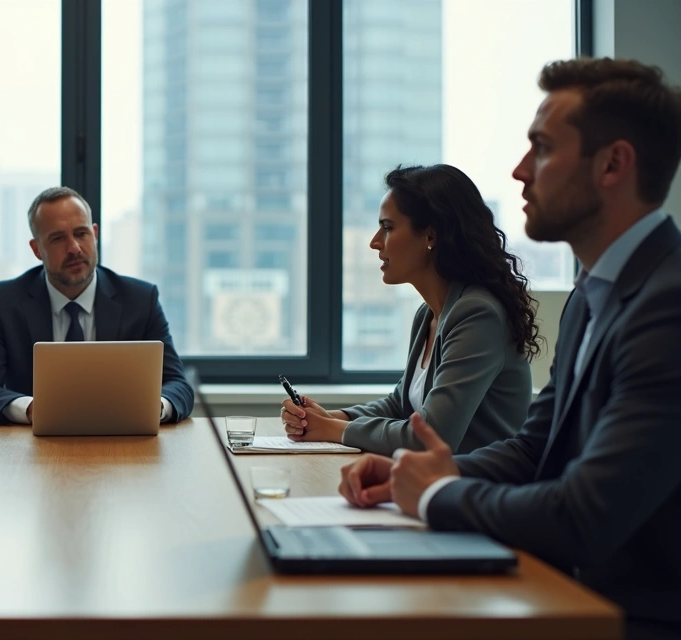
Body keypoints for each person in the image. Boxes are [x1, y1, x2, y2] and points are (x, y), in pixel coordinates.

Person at [339, 58, 681, 640]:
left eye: (542, 149)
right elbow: (533, 449)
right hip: (566, 591)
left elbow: (583, 516)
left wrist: (439, 494)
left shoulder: (668, 308)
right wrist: (410, 472)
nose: (520, 171)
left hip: (628, 617)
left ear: (613, 164)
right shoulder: (590, 296)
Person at [282, 164, 539, 455]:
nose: (375, 242)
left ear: (430, 236)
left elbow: (429, 437)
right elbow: (400, 405)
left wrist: (332, 430)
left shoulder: (477, 314)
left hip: (481, 491)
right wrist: (332, 418)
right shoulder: (428, 314)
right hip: (439, 484)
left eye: (388, 227)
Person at [0, 186, 193, 424]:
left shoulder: (140, 300)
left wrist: (156, 407)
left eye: (81, 233)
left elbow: (178, 385)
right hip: (33, 450)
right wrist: (30, 409)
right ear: (37, 249)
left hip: (123, 447)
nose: (74, 248)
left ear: (95, 234)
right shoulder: (4, 302)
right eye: (58, 238)